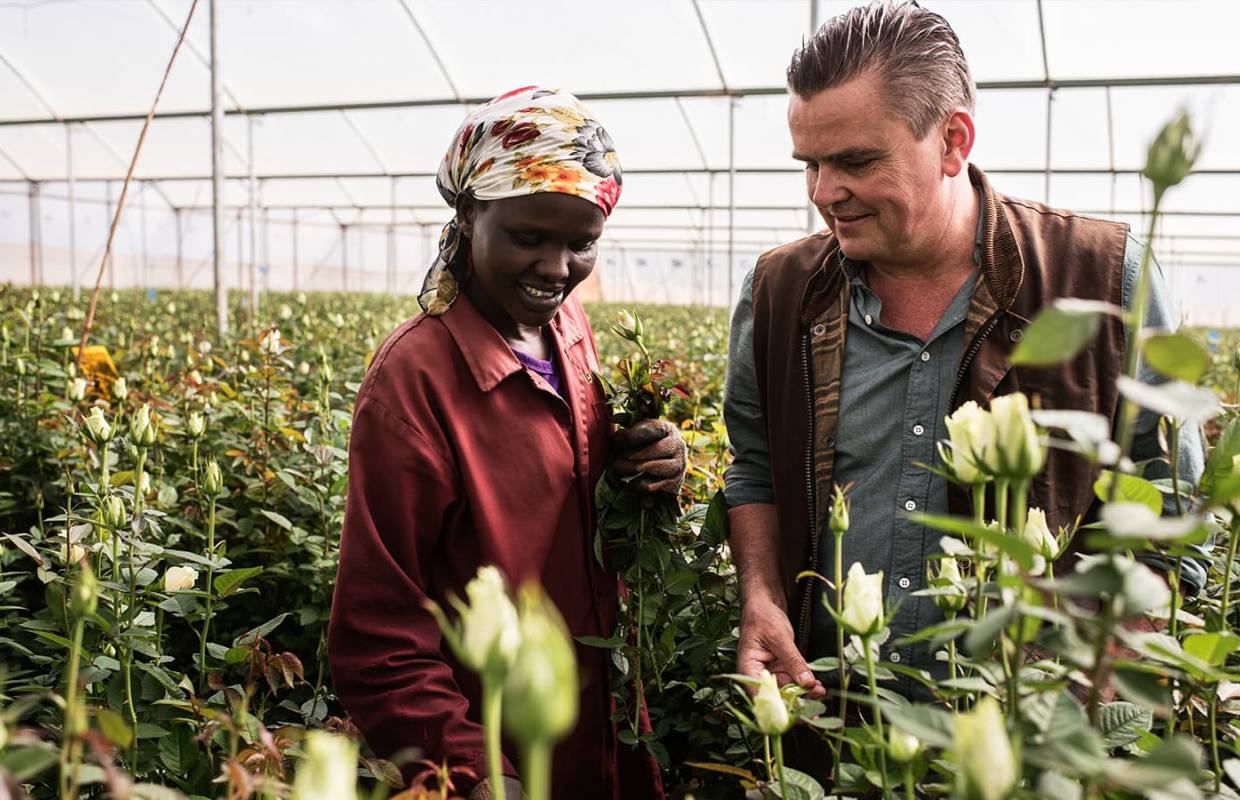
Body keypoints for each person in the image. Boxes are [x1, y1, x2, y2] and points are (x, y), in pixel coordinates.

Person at [722, 0, 1206, 778]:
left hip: (1032, 726)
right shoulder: (781, 290)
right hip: (835, 717)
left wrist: (1112, 664)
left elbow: (1165, 500)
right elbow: (752, 467)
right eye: (808, 164)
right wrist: (761, 596)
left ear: (953, 141)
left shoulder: (1102, 278)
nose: (823, 191)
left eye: (854, 162)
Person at [328, 86, 680, 800]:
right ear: (468, 213)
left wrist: (650, 460)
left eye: (582, 244)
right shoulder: (414, 383)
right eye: (529, 237)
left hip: (600, 724)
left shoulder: (566, 328)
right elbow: (379, 634)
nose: (557, 269)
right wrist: (473, 771)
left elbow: (572, 475)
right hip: (494, 749)